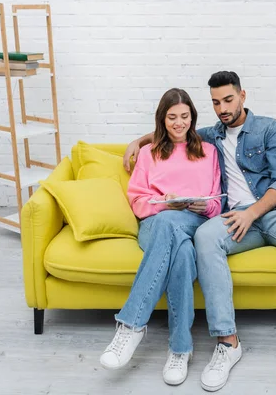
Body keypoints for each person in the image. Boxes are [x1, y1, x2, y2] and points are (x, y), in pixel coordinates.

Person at [122, 72, 276, 391]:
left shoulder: (269, 128)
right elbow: (174, 128)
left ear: (243, 96)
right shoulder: (211, 135)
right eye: (216, 102)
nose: (223, 108)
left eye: (228, 100)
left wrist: (253, 213)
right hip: (235, 216)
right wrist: (139, 141)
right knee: (205, 238)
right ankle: (227, 342)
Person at [99, 88, 222, 386]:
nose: (179, 123)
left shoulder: (209, 152)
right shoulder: (148, 153)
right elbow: (138, 202)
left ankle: (131, 326)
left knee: (174, 226)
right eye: (172, 117)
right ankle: (181, 349)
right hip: (156, 224)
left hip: (194, 220)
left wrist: (203, 204)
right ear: (162, 119)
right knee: (179, 251)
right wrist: (166, 203)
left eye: (184, 116)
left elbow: (218, 204)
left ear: (192, 117)